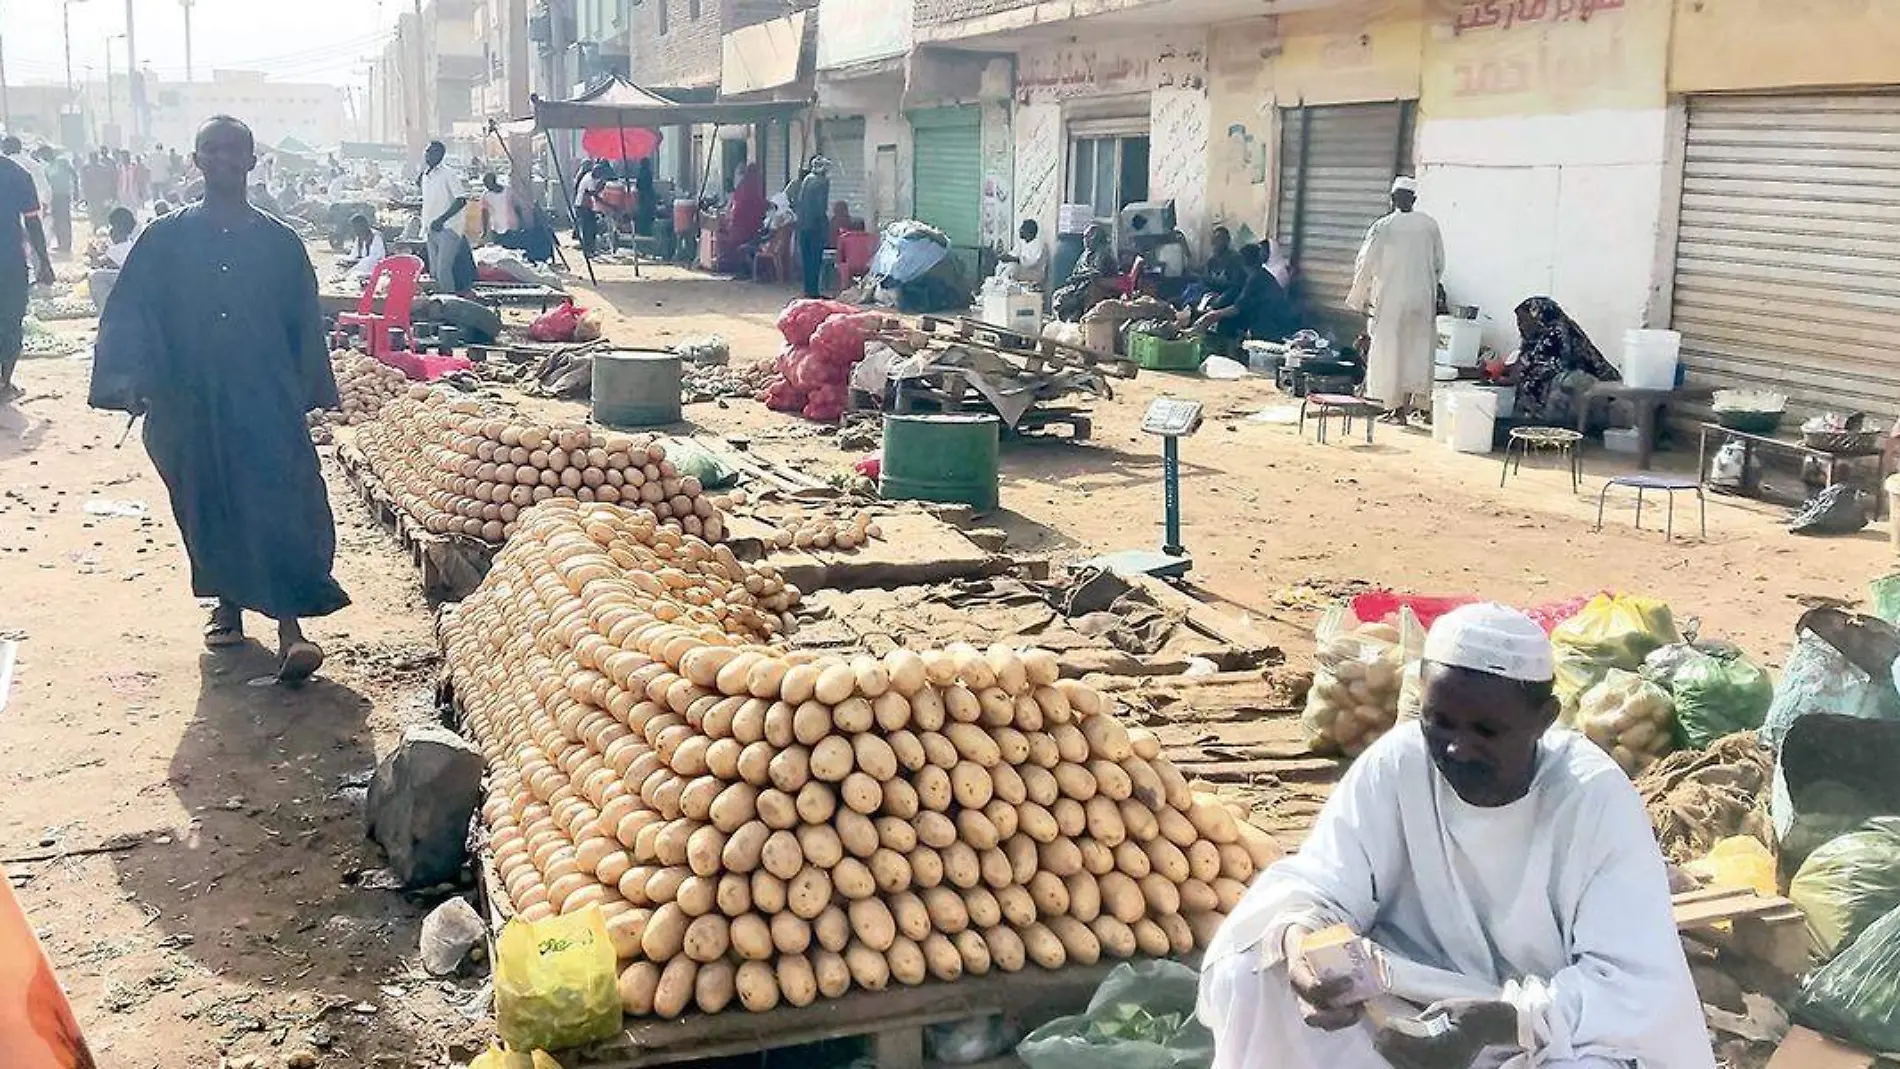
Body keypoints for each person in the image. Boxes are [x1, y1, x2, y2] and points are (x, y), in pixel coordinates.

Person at [1198, 602, 1713, 1069]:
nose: (1456, 749)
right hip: (1411, 1002)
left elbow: (1631, 988)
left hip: (1536, 1031)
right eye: (1439, 723)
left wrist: (1497, 1022)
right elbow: (1320, 885)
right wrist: (1300, 945)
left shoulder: (1591, 796)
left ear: (1545, 719)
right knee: (1252, 971)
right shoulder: (1399, 763)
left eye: (1486, 732)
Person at [88, 115, 349, 681]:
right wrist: (131, 379)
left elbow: (304, 322)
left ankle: (289, 626)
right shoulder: (165, 239)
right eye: (213, 150)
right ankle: (226, 606)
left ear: (253, 161)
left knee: (279, 500)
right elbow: (132, 310)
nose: (225, 160)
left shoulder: (281, 244)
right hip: (190, 397)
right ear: (196, 159)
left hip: (263, 395)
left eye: (236, 151)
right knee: (206, 501)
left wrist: (306, 391)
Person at [1348, 176, 1444, 422]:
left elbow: (1365, 263)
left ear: (1392, 199)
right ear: (1414, 199)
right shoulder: (1429, 225)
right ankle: (1420, 406)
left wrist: (1360, 297)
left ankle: (1396, 409)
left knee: (1392, 354)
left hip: (1391, 299)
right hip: (1421, 299)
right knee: (1418, 352)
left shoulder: (1384, 226)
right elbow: (1439, 264)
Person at [1502, 297, 1621, 426]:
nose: (1520, 325)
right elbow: (1526, 363)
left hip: (1594, 396)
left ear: (1538, 317)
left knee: (1559, 386)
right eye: (1518, 321)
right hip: (1575, 393)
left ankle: (1563, 430)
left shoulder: (1557, 333)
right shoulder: (1534, 338)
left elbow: (1543, 369)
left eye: (1523, 320)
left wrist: (1511, 377)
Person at [0, 148, 55, 404]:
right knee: (10, 321)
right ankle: (4, 382)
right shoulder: (16, 174)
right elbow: (33, 222)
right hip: (8, 262)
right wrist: (44, 261)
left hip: (9, 260)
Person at [1193, 242, 1297, 351]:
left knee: (1227, 323)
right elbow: (1235, 297)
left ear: (1242, 261)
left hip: (1269, 326)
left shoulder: (1256, 279)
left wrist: (1211, 316)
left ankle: (1230, 352)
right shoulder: (1259, 275)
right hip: (1272, 321)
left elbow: (1236, 309)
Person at [419, 140, 473, 293]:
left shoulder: (448, 173)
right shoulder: (425, 176)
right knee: (434, 272)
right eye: (427, 151)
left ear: (441, 155)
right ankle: (438, 305)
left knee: (444, 269)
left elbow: (461, 200)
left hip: (448, 228)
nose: (429, 155)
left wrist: (441, 220)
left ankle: (449, 303)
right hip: (430, 228)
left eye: (433, 152)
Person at [1053, 223, 1119, 321]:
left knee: (1074, 297)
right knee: (1058, 294)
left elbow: (1097, 273)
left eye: (1088, 237)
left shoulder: (1103, 252)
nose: (1085, 240)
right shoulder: (1086, 253)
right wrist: (1074, 278)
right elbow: (1077, 270)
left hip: (1099, 286)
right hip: (1081, 285)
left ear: (1096, 238)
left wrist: (1079, 278)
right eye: (1084, 237)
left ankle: (1077, 317)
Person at [790, 156, 832, 298]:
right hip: (815, 227)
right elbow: (821, 207)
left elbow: (800, 202)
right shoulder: (822, 182)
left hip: (803, 226)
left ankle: (808, 290)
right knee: (815, 260)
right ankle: (814, 292)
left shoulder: (807, 179)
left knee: (807, 260)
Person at [86, 206, 140, 309]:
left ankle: (105, 312)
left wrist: (92, 254)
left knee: (95, 277)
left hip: (130, 285)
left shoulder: (117, 250)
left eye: (112, 227)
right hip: (132, 284)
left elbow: (96, 264)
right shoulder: (130, 244)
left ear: (117, 230)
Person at [37, 148, 76, 255]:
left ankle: (67, 244)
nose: (44, 158)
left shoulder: (62, 161)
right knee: (57, 220)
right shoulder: (47, 168)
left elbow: (73, 174)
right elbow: (47, 184)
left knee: (64, 219)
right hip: (54, 196)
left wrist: (75, 189)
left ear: (50, 153)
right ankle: (61, 244)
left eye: (45, 155)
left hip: (64, 194)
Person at [999, 218, 1048, 290]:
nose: (1020, 231)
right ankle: (1000, 283)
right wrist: (1004, 257)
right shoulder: (1022, 243)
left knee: (1013, 267)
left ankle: (1005, 284)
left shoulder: (1038, 244)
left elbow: (1031, 262)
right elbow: (1014, 254)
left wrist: (1014, 259)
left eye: (1022, 229)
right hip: (1023, 271)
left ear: (1029, 232)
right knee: (1003, 266)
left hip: (1035, 273)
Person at [342, 213, 387, 283]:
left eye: (355, 227)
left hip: (374, 268)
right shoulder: (359, 238)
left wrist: (358, 262)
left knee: (363, 264)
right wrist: (347, 261)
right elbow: (353, 255)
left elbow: (375, 258)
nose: (354, 230)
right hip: (361, 267)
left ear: (363, 226)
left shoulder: (376, 237)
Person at [480, 172, 516, 241]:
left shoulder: (508, 191)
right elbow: (484, 213)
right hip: (496, 228)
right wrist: (484, 230)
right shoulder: (486, 196)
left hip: (511, 227)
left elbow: (516, 207)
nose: (486, 186)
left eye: (487, 183)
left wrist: (520, 221)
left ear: (493, 181)